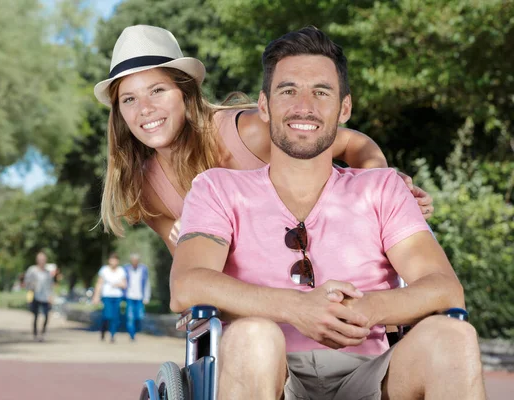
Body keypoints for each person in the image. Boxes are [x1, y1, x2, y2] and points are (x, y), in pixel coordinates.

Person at [170, 26, 485, 400]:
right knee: (255, 335)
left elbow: (445, 288)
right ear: (265, 106)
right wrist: (297, 308)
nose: (304, 106)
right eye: (288, 91)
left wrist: (369, 308)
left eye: (321, 92)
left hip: (373, 375)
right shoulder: (218, 188)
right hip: (266, 371)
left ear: (344, 107)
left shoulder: (382, 188)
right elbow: (186, 284)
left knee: (454, 335)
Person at [93, 25, 434, 254]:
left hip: (329, 257)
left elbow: (351, 144)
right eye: (129, 99)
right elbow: (189, 265)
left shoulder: (244, 132)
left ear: (185, 93)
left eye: (157, 91)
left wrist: (380, 188)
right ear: (119, 113)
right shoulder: (145, 186)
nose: (145, 109)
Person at [92, 252, 127, 343]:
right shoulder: (104, 270)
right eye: (112, 260)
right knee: (107, 315)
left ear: (117, 261)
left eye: (115, 260)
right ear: (109, 260)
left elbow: (124, 284)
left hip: (117, 296)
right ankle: (103, 331)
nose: (113, 262)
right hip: (107, 296)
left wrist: (118, 284)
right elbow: (99, 283)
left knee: (115, 317)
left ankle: (112, 335)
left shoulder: (121, 271)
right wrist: (96, 296)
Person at [24, 251, 54, 342]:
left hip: (45, 296)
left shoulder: (47, 272)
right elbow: (27, 282)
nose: (42, 261)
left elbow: (50, 285)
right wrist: (31, 288)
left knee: (46, 315)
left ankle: (43, 332)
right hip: (35, 295)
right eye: (40, 259)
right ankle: (35, 334)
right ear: (37, 260)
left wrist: (50, 296)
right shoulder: (32, 270)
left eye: (43, 259)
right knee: (36, 316)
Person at [122, 253, 151, 341]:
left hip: (139, 297)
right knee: (130, 317)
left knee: (139, 317)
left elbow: (147, 284)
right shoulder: (126, 269)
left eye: (136, 260)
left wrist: (146, 297)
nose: (134, 262)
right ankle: (132, 334)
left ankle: (135, 330)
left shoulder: (143, 269)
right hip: (129, 297)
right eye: (133, 260)